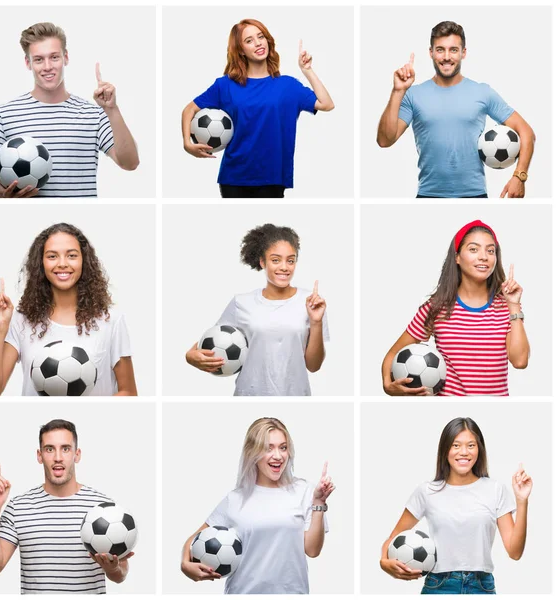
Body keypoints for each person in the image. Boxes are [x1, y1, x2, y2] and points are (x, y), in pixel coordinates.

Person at [376, 21, 535, 198]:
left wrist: (519, 177)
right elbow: (385, 140)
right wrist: (398, 91)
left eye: (453, 50)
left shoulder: (482, 92)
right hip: (428, 195)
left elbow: (526, 132)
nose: (446, 57)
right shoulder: (413, 94)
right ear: (431, 53)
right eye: (440, 49)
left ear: (463, 53)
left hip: (475, 195)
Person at [0, 22, 139, 199]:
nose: (47, 66)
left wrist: (112, 109)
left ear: (66, 57)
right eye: (39, 59)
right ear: (28, 63)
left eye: (54, 57)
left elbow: (130, 163)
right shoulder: (5, 113)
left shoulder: (93, 114)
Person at [182, 18, 334, 198]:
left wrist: (307, 70)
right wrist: (187, 143)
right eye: (249, 40)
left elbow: (326, 104)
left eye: (260, 37)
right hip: (234, 178)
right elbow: (189, 110)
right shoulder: (225, 85)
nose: (258, 43)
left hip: (273, 177)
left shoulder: (288, 86)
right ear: (241, 51)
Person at [180, 417, 334, 593]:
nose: (278, 456)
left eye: (283, 447)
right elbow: (193, 540)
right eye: (268, 448)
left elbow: (312, 550)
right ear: (253, 453)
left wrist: (319, 503)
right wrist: (185, 565)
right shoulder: (236, 499)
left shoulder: (304, 491)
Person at [380, 417, 532, 594]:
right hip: (439, 585)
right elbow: (393, 538)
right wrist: (384, 561)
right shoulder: (427, 491)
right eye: (456, 445)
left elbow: (515, 552)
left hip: (481, 587)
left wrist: (522, 501)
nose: (464, 452)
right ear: (445, 449)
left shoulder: (495, 489)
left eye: (471, 445)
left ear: (479, 449)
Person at [0, 223, 137, 396]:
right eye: (52, 256)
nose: (62, 264)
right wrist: (0, 327)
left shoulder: (111, 320)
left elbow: (129, 392)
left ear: (84, 261)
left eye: (71, 255)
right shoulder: (22, 319)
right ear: (41, 263)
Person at [0, 419, 134, 593]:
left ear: (77, 454)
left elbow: (120, 575)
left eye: (66, 449)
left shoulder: (102, 508)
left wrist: (112, 568)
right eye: (49, 449)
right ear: (39, 456)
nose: (58, 458)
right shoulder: (19, 507)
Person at [381, 220, 529, 396]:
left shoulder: (506, 307)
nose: (484, 256)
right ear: (457, 257)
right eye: (474, 249)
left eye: (490, 251)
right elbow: (392, 354)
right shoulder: (436, 307)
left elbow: (520, 361)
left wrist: (513, 305)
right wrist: (388, 386)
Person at [185, 224, 328, 395]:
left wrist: (316, 321)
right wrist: (190, 355)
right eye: (275, 260)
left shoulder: (311, 303)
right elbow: (216, 337)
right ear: (262, 262)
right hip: (250, 395)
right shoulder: (242, 303)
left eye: (291, 260)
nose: (284, 267)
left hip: (295, 396)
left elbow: (313, 366)